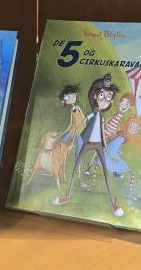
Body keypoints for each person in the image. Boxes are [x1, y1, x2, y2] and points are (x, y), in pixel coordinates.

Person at [53, 73, 124, 217]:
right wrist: (74, 133)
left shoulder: (101, 117)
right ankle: (67, 196)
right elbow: (81, 122)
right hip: (86, 142)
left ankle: (114, 204)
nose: (105, 100)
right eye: (102, 96)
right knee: (75, 167)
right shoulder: (91, 114)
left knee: (106, 172)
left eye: (108, 97)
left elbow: (102, 132)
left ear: (111, 101)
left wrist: (105, 145)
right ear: (95, 96)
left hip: (98, 145)